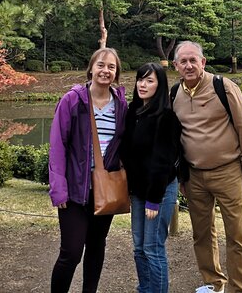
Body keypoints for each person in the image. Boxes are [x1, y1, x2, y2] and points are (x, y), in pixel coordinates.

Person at [171, 41, 242, 293]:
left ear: (203, 62)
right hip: (194, 176)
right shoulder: (174, 93)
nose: (189, 65)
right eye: (183, 61)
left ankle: (240, 289)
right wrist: (181, 176)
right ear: (176, 66)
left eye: (193, 60)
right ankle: (213, 284)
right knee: (202, 234)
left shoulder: (223, 87)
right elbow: (175, 137)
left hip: (228, 171)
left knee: (237, 235)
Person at [48, 47, 128, 293]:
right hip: (74, 189)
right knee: (71, 252)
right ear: (91, 68)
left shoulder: (120, 104)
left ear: (116, 73)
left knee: (96, 246)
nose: (106, 71)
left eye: (111, 67)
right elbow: (58, 144)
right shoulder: (73, 100)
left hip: (105, 188)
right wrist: (58, 188)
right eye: (101, 65)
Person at [120, 62, 182, 293]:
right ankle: (145, 289)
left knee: (153, 247)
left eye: (149, 80)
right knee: (139, 247)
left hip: (159, 191)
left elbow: (163, 162)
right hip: (138, 191)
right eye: (140, 79)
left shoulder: (166, 118)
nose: (142, 85)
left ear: (160, 85)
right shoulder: (133, 113)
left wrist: (154, 198)